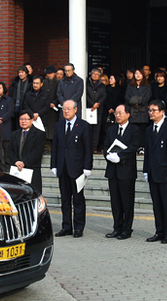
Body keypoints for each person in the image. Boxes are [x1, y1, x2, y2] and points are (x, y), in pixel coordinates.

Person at [51, 99, 92, 238]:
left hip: (77, 168)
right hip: (62, 168)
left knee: (78, 199)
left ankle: (79, 227)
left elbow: (88, 148)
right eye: (64, 109)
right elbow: (55, 147)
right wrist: (54, 165)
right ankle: (66, 226)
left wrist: (87, 166)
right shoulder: (58, 125)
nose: (66, 111)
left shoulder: (83, 126)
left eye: (68, 109)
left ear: (75, 109)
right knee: (65, 199)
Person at [103, 104, 141, 240]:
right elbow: (106, 145)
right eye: (116, 113)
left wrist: (120, 156)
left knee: (127, 201)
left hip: (127, 171)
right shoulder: (111, 129)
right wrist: (108, 155)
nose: (117, 116)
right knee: (115, 202)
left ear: (128, 114)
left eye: (120, 113)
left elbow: (133, 147)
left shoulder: (134, 130)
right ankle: (117, 227)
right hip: (113, 171)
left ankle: (127, 229)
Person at [143, 99, 167, 243]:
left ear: (162, 112)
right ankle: (159, 231)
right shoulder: (149, 129)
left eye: (154, 110)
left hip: (165, 173)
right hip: (153, 172)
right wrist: (146, 170)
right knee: (157, 205)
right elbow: (147, 152)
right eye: (150, 110)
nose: (151, 113)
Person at [8, 110, 46, 193]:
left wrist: (24, 162)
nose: (23, 121)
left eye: (26, 119)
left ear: (32, 120)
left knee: (33, 194)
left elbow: (37, 151)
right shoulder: (14, 134)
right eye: (21, 119)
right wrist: (16, 161)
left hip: (32, 169)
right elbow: (10, 150)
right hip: (17, 169)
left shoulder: (40, 134)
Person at [124, 67, 151, 150]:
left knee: (142, 130)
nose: (138, 75)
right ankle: (133, 147)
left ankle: (142, 147)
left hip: (142, 111)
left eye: (140, 73)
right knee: (133, 130)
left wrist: (137, 100)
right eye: (136, 74)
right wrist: (136, 100)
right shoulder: (130, 86)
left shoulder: (147, 85)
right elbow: (127, 97)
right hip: (133, 111)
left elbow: (147, 98)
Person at [86, 68, 107, 152]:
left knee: (96, 130)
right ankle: (87, 147)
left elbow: (104, 96)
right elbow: (85, 95)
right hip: (89, 108)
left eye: (97, 74)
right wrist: (92, 104)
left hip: (98, 109)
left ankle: (94, 147)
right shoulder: (87, 84)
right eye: (93, 74)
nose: (95, 75)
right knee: (88, 128)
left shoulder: (102, 85)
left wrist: (98, 103)